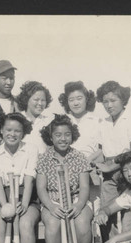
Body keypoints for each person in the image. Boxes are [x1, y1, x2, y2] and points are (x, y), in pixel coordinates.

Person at [36, 114, 93, 243]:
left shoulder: (79, 157)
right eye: (58, 135)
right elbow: (41, 188)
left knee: (81, 223)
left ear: (72, 136)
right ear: (51, 137)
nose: (63, 139)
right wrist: (52, 206)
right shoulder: (44, 158)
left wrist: (79, 205)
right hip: (53, 201)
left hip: (76, 200)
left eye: (67, 135)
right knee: (53, 225)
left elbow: (85, 187)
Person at [0, 113, 40, 243]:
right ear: (1, 130)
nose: (12, 134)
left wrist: (23, 205)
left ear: (23, 133)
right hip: (3, 196)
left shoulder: (31, 149)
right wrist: (6, 205)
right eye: (8, 130)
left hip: (27, 197)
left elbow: (30, 179)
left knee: (25, 223)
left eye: (17, 131)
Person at [94, 81, 131, 239]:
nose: (109, 105)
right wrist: (88, 162)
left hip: (128, 171)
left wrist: (110, 166)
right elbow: (101, 152)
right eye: (105, 101)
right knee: (106, 210)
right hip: (109, 176)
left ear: (123, 100)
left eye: (113, 100)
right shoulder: (104, 123)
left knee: (129, 211)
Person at [58, 81, 103, 214]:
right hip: (67, 173)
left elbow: (101, 150)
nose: (75, 103)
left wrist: (86, 161)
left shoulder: (96, 122)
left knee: (95, 211)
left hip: (91, 172)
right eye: (71, 99)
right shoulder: (62, 121)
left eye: (79, 98)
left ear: (87, 99)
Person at [15, 81, 54, 154]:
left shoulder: (49, 121)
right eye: (36, 100)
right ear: (26, 100)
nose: (40, 103)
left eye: (43, 100)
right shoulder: (17, 119)